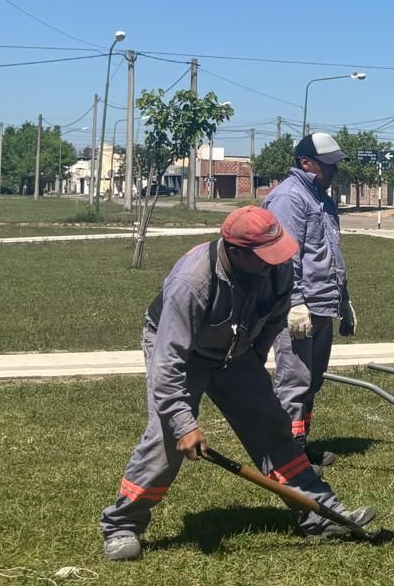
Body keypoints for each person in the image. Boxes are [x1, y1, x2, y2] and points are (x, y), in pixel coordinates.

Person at [99, 206, 375, 562]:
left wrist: (253, 364)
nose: (273, 263)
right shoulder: (192, 283)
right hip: (186, 352)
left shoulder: (277, 269)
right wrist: (184, 425)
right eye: (264, 256)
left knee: (272, 426)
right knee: (165, 439)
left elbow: (273, 320)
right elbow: (168, 366)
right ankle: (122, 525)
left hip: (236, 350)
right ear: (235, 251)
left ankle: (320, 513)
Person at [262, 132, 358, 468]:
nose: (334, 171)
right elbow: (284, 257)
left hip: (323, 304)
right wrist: (294, 302)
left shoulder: (321, 198)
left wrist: (343, 300)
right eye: (327, 165)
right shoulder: (290, 198)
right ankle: (281, 458)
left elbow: (330, 255)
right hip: (298, 308)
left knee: (311, 381)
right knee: (293, 381)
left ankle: (298, 448)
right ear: (306, 162)